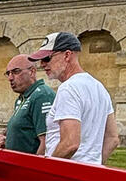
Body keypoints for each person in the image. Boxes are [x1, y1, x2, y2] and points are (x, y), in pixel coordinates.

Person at [29, 32, 119, 165]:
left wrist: (46, 169)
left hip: (65, 176)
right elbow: (112, 139)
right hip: (88, 176)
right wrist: (94, 166)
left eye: (47, 58)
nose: (42, 64)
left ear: (67, 55)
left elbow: (70, 144)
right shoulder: (99, 87)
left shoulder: (69, 88)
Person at [0, 54, 54, 154]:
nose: (10, 78)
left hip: (26, 167)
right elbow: (22, 126)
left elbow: (47, 143)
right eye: (8, 73)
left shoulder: (42, 96)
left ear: (32, 72)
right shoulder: (22, 98)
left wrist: (33, 168)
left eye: (16, 72)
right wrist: (3, 136)